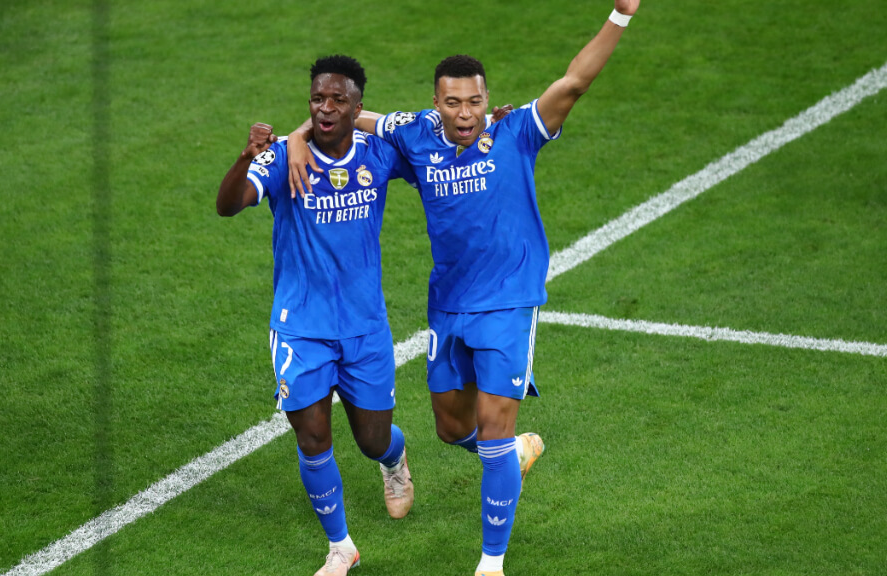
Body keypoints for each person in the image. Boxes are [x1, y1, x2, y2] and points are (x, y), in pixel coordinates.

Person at [286, 3, 641, 575]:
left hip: (508, 302)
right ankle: (514, 454)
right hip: (448, 305)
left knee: (495, 431)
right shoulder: (415, 134)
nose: (466, 112)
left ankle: (490, 563)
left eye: (474, 101)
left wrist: (620, 15)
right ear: (436, 104)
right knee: (452, 429)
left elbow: (574, 82)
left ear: (486, 99)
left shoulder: (516, 131)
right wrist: (298, 137)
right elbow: (344, 116)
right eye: (453, 102)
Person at [217, 55, 417, 576]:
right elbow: (229, 204)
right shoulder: (283, 157)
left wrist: (489, 132)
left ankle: (394, 460)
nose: (325, 108)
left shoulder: (378, 152)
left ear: (357, 106)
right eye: (316, 99)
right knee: (312, 437)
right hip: (301, 326)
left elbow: (434, 153)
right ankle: (341, 547)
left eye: (337, 100)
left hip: (364, 326)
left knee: (372, 439)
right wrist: (246, 157)